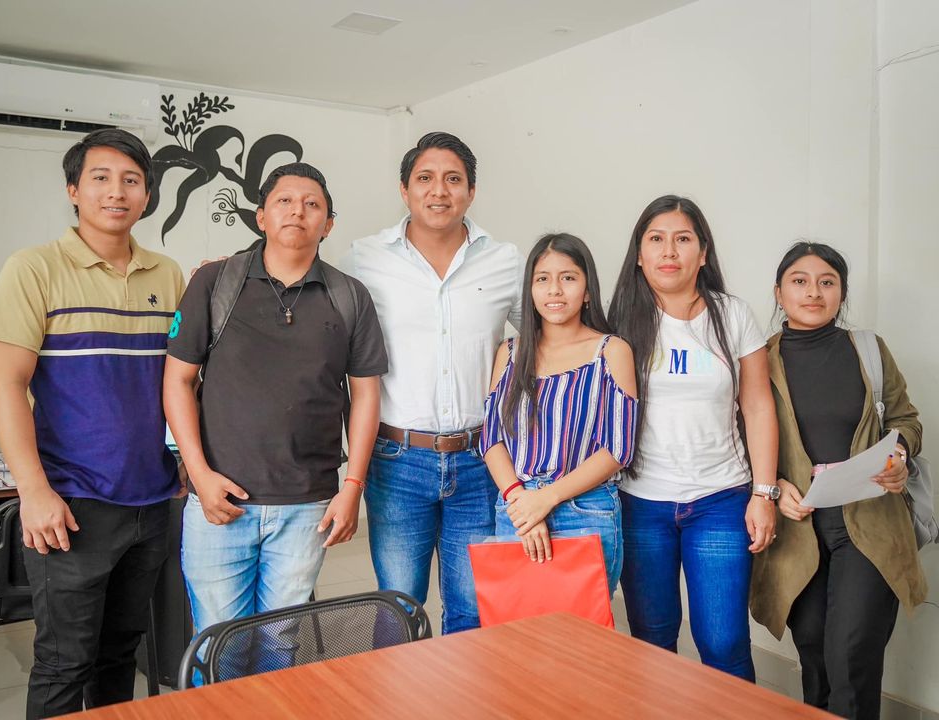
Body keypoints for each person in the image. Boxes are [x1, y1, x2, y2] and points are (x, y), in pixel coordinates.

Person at [0, 129, 184, 718]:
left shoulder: (167, 274)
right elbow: (4, 384)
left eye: (131, 180)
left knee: (120, 654)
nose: (116, 192)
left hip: (152, 501)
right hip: (70, 504)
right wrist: (34, 492)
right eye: (100, 178)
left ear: (147, 195)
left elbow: (179, 383)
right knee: (64, 663)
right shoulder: (33, 269)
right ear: (73, 190)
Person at [163, 162, 386, 637]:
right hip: (220, 499)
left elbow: (366, 394)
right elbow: (177, 380)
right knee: (218, 642)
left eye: (312, 204)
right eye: (284, 201)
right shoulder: (214, 283)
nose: (297, 211)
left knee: (281, 643)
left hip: (306, 504)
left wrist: (353, 487)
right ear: (261, 216)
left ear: (328, 224)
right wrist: (199, 475)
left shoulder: (350, 296)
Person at [340, 132, 524, 633]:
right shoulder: (363, 258)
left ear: (471, 191)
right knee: (400, 610)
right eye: (425, 178)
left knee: (471, 611)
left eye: (452, 179)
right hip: (397, 461)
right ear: (404, 190)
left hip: (480, 459)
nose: (438, 190)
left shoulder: (505, 261)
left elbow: (549, 339)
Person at [749, 242, 926, 720]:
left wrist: (898, 455)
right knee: (814, 652)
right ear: (779, 292)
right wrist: (773, 487)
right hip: (797, 528)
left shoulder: (868, 350)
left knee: (851, 652)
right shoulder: (758, 360)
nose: (814, 292)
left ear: (841, 293)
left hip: (869, 522)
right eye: (800, 281)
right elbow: (740, 439)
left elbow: (906, 420)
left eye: (827, 282)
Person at [607, 195, 778, 681]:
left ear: (703, 253)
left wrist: (764, 493)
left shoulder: (732, 315)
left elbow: (758, 406)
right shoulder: (619, 320)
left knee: (723, 642)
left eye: (683, 239)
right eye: (656, 239)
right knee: (653, 640)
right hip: (640, 502)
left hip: (720, 499)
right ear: (639, 254)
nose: (669, 251)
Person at [480, 233, 637, 595]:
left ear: (587, 290)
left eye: (568, 277)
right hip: (516, 506)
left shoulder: (611, 351)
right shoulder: (510, 352)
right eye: (542, 279)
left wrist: (545, 499)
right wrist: (522, 501)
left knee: (581, 626)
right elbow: (491, 439)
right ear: (530, 291)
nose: (555, 289)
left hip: (585, 509)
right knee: (518, 624)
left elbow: (618, 449)